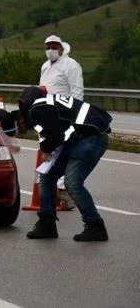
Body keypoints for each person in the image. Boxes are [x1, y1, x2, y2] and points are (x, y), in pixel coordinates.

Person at [16, 85, 111, 241]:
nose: (20, 124)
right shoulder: (46, 103)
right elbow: (63, 130)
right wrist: (50, 148)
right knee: (47, 176)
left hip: (92, 137)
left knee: (72, 183)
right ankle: (47, 223)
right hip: (81, 136)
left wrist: (46, 148)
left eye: (19, 120)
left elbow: (59, 135)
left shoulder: (37, 108)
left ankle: (95, 226)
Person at [40, 34, 84, 210]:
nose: (51, 50)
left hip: (64, 116)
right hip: (47, 115)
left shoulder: (70, 65)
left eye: (54, 46)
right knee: (49, 154)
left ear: (61, 47)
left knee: (63, 153)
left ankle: (65, 193)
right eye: (48, 47)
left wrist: (75, 115)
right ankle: (51, 195)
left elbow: (77, 90)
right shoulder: (45, 66)